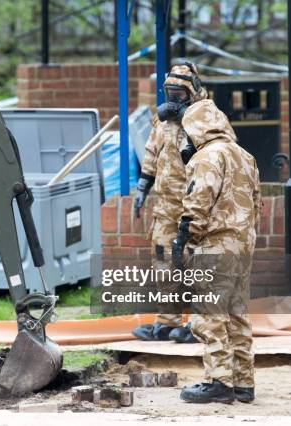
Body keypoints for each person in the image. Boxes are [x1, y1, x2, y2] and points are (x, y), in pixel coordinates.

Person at [171, 98, 261, 404]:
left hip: (215, 245)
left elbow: (198, 202)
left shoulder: (207, 156)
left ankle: (219, 381)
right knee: (237, 312)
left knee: (209, 314)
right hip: (242, 245)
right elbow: (256, 203)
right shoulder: (245, 156)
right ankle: (243, 383)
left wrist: (182, 240)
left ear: (196, 127)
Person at [131, 62, 205, 343]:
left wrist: (189, 116)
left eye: (181, 94)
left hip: (195, 206)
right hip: (165, 207)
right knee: (163, 261)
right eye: (171, 93)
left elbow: (222, 151)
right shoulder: (161, 121)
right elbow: (151, 152)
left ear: (193, 92)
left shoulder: (208, 118)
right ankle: (166, 321)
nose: (175, 100)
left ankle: (200, 325)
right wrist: (142, 187)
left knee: (200, 262)